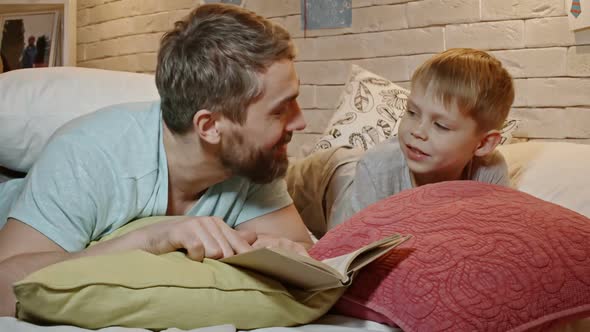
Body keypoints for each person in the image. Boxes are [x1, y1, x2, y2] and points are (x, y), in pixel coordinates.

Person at [0, 3, 312, 316]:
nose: (300, 123)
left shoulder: (253, 160)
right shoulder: (87, 158)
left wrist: (287, 253)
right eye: (280, 110)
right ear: (210, 126)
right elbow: (4, 288)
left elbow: (311, 260)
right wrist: (150, 240)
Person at [288, 48, 515, 236]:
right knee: (272, 187)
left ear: (483, 144)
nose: (417, 131)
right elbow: (343, 252)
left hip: (357, 170)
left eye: (441, 126)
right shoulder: (377, 168)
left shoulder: (490, 172)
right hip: (328, 173)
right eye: (412, 112)